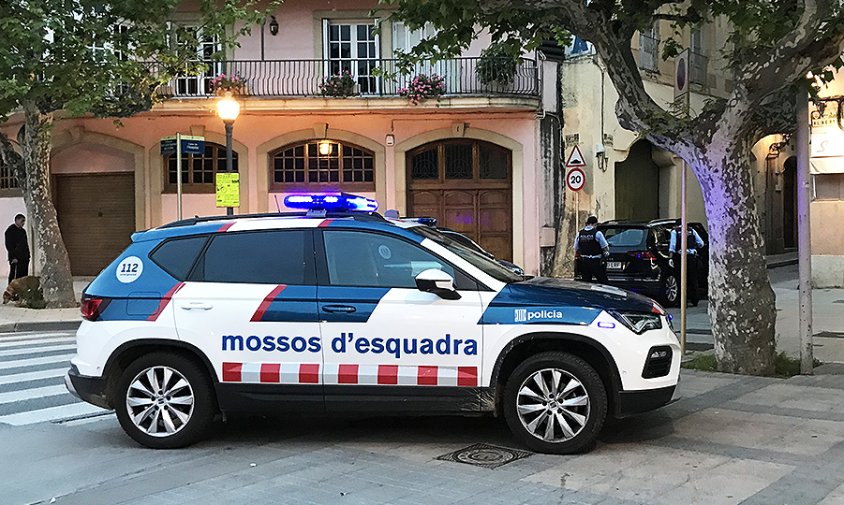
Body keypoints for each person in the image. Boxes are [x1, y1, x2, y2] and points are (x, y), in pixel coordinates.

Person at [669, 219, 705, 306]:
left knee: (680, 279)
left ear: (677, 225)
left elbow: (672, 246)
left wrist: (670, 258)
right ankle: (694, 299)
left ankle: (682, 301)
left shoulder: (675, 232)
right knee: (693, 278)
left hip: (680, 257)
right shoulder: (691, 230)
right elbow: (701, 243)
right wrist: (693, 247)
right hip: (691, 257)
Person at [575, 215, 609, 283]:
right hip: (596, 261)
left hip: (584, 261)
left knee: (586, 283)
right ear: (595, 224)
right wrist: (606, 255)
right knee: (603, 282)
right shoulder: (597, 233)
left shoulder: (579, 233)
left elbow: (576, 247)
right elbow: (605, 247)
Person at [5, 214, 30, 284]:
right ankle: (12, 292)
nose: (23, 223)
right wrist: (13, 257)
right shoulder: (10, 231)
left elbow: (25, 244)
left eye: (24, 221)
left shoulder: (23, 231)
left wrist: (28, 256)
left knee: (23, 277)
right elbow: (9, 246)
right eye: (22, 221)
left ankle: (21, 293)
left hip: (24, 258)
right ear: (17, 220)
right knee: (14, 277)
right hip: (16, 258)